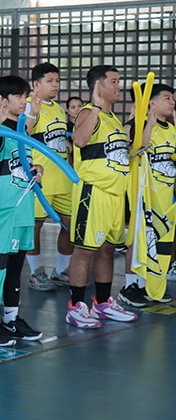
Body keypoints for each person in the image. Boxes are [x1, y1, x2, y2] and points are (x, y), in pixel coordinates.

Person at [65, 65, 137, 329]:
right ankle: (75, 306)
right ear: (99, 86)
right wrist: (94, 106)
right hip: (93, 192)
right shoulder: (88, 112)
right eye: (114, 81)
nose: (119, 86)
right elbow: (80, 140)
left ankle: (104, 302)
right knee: (84, 249)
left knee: (107, 249)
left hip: (115, 194)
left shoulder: (114, 119)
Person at [0, 76, 43, 346]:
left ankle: (10, 319)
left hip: (23, 210)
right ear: (3, 100)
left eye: (25, 95)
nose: (24, 100)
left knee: (15, 269)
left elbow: (29, 162)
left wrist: (38, 170)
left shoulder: (22, 130)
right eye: (19, 95)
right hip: (4, 214)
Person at [117, 83, 176, 305]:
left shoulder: (171, 128)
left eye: (172, 98)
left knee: (162, 243)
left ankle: (152, 286)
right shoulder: (134, 125)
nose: (172, 101)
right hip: (144, 196)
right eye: (167, 97)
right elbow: (133, 152)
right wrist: (149, 125)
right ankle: (130, 286)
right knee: (140, 239)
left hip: (166, 197)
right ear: (151, 102)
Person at [24, 63, 74, 290]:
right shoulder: (27, 106)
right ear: (36, 84)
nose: (55, 85)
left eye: (57, 81)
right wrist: (32, 115)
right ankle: (36, 272)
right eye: (49, 81)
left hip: (63, 177)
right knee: (35, 225)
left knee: (70, 225)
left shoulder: (58, 109)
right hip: (40, 179)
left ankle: (61, 270)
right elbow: (22, 135)